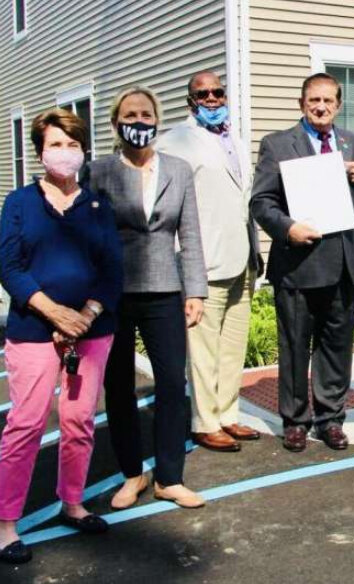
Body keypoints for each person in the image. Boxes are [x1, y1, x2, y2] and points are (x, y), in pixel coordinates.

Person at [0, 109, 123, 564]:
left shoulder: (97, 205)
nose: (65, 152)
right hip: (34, 329)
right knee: (26, 425)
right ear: (39, 151)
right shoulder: (19, 203)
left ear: (84, 151)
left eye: (73, 144)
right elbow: (9, 268)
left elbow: (112, 269)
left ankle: (72, 501)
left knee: (78, 422)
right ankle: (6, 522)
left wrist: (85, 316)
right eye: (56, 144)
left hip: (90, 332)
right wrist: (55, 314)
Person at [83, 87, 208, 508]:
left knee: (173, 382)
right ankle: (132, 474)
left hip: (165, 290)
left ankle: (169, 477)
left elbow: (189, 234)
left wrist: (196, 291)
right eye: (130, 114)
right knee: (118, 386)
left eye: (145, 114)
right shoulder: (98, 172)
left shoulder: (178, 168)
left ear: (157, 119)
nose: (138, 121)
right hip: (113, 293)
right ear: (117, 123)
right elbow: (87, 237)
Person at [250, 72, 354, 452]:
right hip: (299, 265)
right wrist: (287, 228)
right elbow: (261, 203)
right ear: (301, 103)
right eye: (313, 100)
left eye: (328, 101)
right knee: (295, 347)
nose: (321, 107)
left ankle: (331, 419)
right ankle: (296, 420)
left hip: (344, 265)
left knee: (337, 348)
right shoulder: (277, 144)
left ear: (338, 104)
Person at [156, 71, 264, 453]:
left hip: (242, 259)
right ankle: (204, 422)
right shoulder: (175, 141)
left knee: (233, 347)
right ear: (191, 101)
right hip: (203, 263)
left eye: (218, 92)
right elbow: (164, 202)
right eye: (203, 94)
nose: (213, 99)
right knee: (203, 350)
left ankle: (228, 414)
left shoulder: (233, 136)